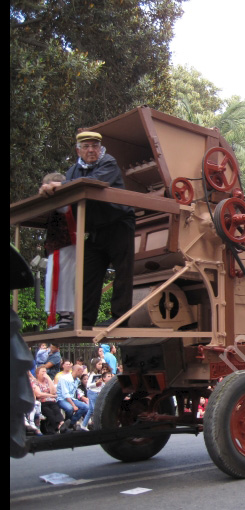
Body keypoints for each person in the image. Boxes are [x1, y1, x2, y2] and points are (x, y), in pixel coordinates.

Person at [38, 130, 135, 328]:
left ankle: (120, 319)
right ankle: (84, 320)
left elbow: (91, 184)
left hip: (118, 224)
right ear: (78, 150)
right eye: (86, 146)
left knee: (123, 272)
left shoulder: (108, 163)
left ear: (100, 149)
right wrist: (49, 190)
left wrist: (58, 185)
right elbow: (67, 192)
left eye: (94, 146)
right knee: (88, 274)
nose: (91, 150)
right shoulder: (73, 171)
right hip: (95, 230)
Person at [42, 172, 77, 329]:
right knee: (54, 280)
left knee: (63, 280)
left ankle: (66, 316)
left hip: (64, 244)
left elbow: (63, 209)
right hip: (58, 246)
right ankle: (63, 316)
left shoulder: (64, 202)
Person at [32, 366, 64, 434]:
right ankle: (60, 427)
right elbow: (39, 395)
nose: (44, 373)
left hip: (51, 401)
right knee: (50, 413)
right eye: (42, 371)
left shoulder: (47, 381)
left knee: (56, 410)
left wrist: (49, 379)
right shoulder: (35, 382)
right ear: (37, 373)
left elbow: (53, 391)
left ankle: (61, 424)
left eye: (45, 372)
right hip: (42, 402)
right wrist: (51, 396)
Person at [56, 364, 89, 431]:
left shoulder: (77, 380)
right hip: (62, 399)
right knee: (70, 408)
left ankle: (70, 423)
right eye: (81, 371)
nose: (82, 373)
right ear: (78, 370)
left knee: (86, 407)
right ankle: (67, 424)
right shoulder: (64, 379)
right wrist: (73, 405)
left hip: (72, 398)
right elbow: (65, 394)